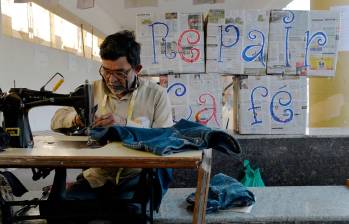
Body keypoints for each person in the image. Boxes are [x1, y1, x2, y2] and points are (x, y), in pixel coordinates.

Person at [50, 30, 173, 200]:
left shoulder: (156, 94)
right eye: (106, 71)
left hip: (137, 176)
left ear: (137, 69)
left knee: (129, 215)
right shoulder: (93, 89)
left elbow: (165, 138)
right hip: (98, 175)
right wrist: (77, 118)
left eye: (119, 73)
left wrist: (125, 124)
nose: (111, 79)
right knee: (62, 212)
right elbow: (56, 119)